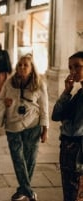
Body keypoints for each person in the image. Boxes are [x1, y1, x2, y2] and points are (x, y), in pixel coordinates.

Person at [0, 55, 49, 201]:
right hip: (13, 125)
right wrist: (4, 102)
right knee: (18, 158)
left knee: (30, 159)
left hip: (33, 125)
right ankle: (29, 191)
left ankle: (23, 190)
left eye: (25, 65)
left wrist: (45, 129)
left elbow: (45, 107)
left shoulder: (39, 83)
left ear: (31, 69)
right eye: (20, 65)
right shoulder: (10, 82)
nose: (22, 67)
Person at [51, 51, 83, 201]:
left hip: (78, 151)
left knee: (75, 194)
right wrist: (66, 91)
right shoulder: (78, 93)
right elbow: (56, 115)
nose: (73, 71)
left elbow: (74, 127)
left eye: (77, 66)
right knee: (69, 193)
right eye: (70, 67)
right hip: (67, 149)